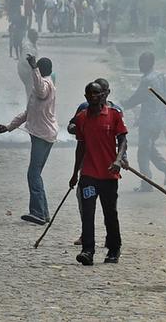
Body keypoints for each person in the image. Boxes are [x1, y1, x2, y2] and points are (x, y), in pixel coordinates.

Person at [0, 56, 57, 225]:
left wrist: (33, 68)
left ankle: (37, 212)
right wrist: (8, 127)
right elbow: (27, 113)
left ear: (41, 70)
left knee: (33, 174)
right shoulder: (42, 86)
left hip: (42, 135)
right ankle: (43, 213)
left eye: (37, 69)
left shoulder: (46, 85)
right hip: (44, 134)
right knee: (36, 174)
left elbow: (41, 90)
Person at [70, 82, 128, 265]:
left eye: (97, 93)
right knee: (87, 212)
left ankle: (114, 248)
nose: (94, 96)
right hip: (88, 175)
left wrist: (119, 160)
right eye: (90, 94)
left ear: (103, 95)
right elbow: (81, 145)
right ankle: (88, 250)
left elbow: (123, 139)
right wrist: (74, 174)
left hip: (109, 175)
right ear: (86, 97)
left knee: (110, 213)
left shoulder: (114, 115)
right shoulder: (81, 118)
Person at [122, 52, 166, 192]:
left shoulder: (147, 80)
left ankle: (147, 183)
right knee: (148, 148)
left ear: (149, 63)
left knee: (142, 153)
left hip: (149, 121)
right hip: (159, 120)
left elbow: (137, 97)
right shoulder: (160, 76)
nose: (140, 65)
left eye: (142, 63)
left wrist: (124, 104)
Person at [17, 29, 39, 100]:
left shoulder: (33, 44)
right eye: (35, 35)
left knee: (31, 89)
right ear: (31, 36)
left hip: (28, 69)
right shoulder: (27, 46)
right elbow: (26, 61)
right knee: (30, 89)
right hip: (25, 70)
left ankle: (30, 105)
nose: (37, 37)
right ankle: (30, 107)